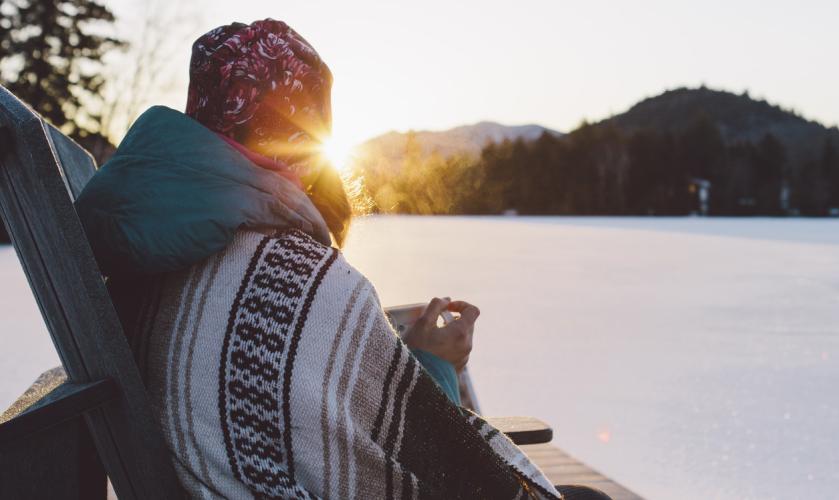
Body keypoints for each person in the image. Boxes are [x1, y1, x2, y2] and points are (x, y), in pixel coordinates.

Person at [76, 19, 610, 500]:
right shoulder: (293, 281)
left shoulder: (145, 265)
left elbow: (303, 414)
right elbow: (420, 466)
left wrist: (384, 356)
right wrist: (437, 365)